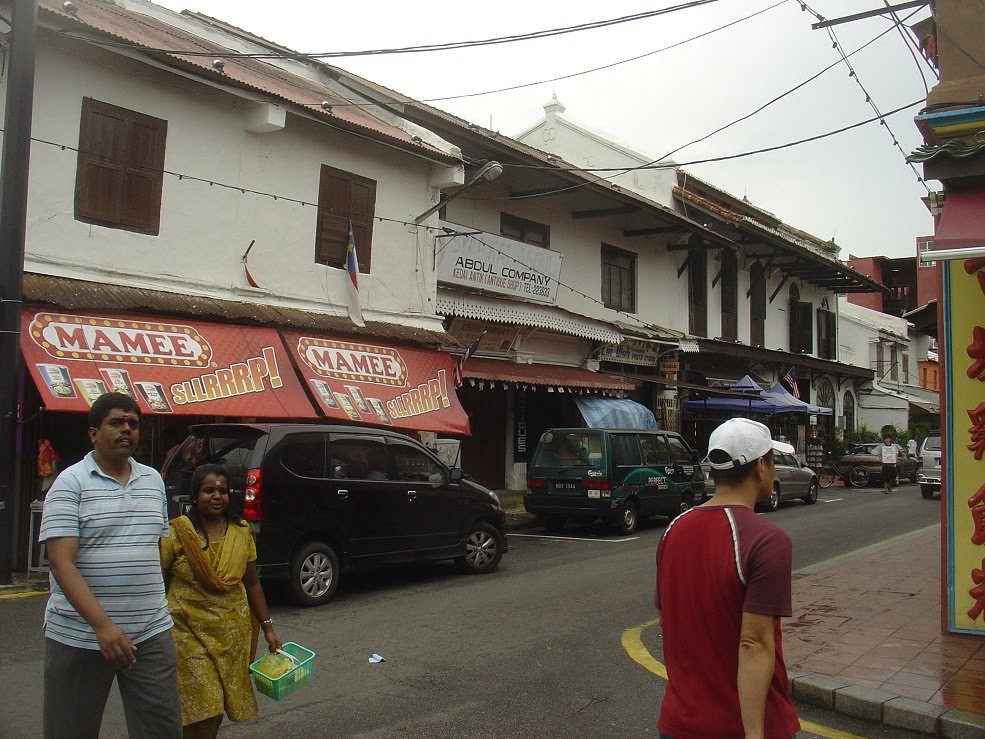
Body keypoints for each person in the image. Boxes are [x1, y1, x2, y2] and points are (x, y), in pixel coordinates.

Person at [39, 392, 181, 739]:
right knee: (70, 731)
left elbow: (153, 551)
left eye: (133, 424)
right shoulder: (70, 484)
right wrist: (103, 626)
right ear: (93, 433)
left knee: (162, 730)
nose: (126, 430)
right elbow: (60, 563)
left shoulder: (153, 481)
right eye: (116, 422)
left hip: (150, 634)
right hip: (80, 636)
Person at [654, 418, 800, 739]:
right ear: (761, 467)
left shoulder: (673, 531)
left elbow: (668, 620)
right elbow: (754, 643)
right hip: (739, 727)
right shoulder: (766, 540)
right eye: (772, 461)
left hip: (678, 724)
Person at [160, 464, 282, 738]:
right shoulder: (176, 534)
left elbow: (251, 583)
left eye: (222, 491)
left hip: (232, 635)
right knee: (203, 705)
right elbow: (157, 581)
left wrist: (268, 628)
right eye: (208, 491)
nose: (216, 496)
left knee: (216, 708)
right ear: (194, 496)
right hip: (187, 633)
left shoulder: (241, 532)